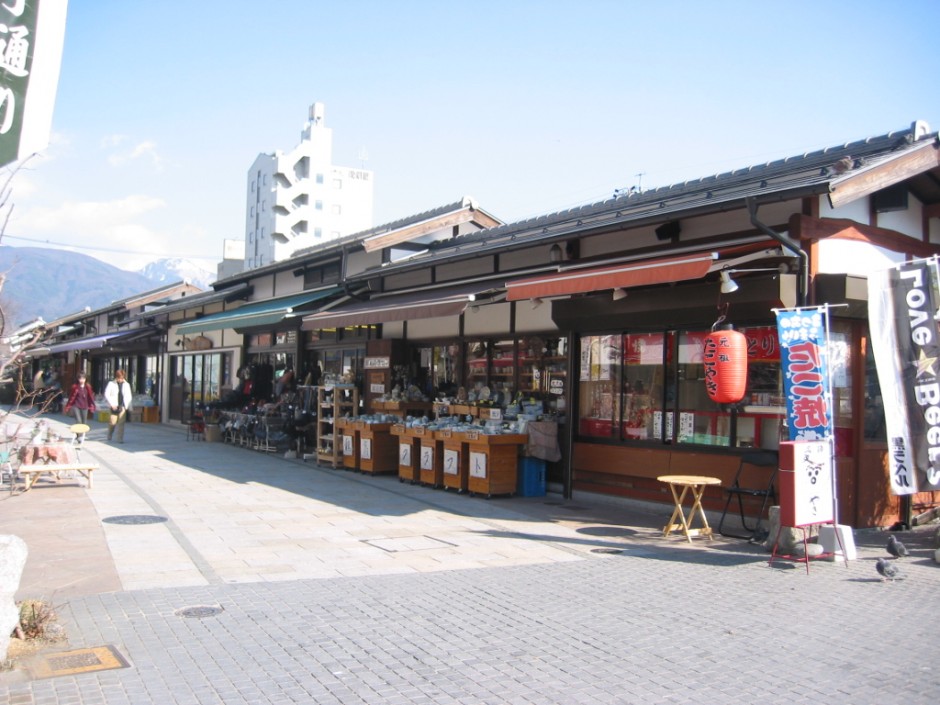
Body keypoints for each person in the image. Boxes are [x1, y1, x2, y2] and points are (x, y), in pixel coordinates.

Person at [63, 372, 96, 444]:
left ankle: (81, 435)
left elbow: (91, 397)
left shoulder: (88, 387)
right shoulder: (75, 387)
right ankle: (79, 436)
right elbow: (71, 398)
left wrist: (92, 405)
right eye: (80, 378)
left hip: (85, 406)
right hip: (76, 406)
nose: (82, 380)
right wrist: (68, 406)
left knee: (84, 422)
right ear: (78, 379)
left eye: (83, 378)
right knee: (78, 421)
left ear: (85, 379)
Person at [104, 369, 134, 443]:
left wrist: (129, 407)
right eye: (119, 378)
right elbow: (106, 394)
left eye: (122, 378)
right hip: (113, 406)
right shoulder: (111, 384)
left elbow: (129, 396)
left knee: (121, 423)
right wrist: (112, 404)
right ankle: (110, 434)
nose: (121, 380)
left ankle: (120, 438)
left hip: (122, 406)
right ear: (116, 377)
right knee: (112, 423)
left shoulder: (127, 385)